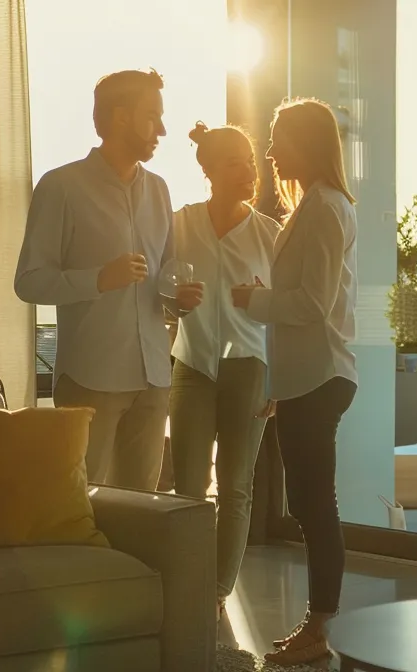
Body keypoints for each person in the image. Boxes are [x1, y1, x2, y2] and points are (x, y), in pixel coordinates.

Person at [15, 69, 203, 489]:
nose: (164, 129)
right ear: (120, 117)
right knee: (80, 507)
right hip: (90, 379)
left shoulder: (159, 189)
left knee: (142, 515)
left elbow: (164, 275)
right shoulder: (61, 186)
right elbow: (28, 281)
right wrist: (99, 278)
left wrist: (179, 298)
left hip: (153, 377)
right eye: (152, 116)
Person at [231, 99, 358, 666]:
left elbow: (313, 304)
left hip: (323, 375)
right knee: (309, 505)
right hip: (306, 377)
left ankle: (321, 627)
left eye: (278, 136)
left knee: (314, 506)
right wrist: (280, 387)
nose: (270, 148)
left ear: (307, 142)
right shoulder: (310, 206)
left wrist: (253, 299)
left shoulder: (326, 209)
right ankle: (319, 624)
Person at [168, 122, 281, 619]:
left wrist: (279, 378)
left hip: (249, 367)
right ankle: (184, 580)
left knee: (236, 485)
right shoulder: (178, 224)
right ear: (209, 170)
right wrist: (173, 301)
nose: (248, 172)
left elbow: (284, 313)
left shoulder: (269, 234)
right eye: (234, 162)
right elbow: (155, 289)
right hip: (191, 363)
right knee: (188, 487)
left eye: (251, 161)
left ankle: (216, 591)